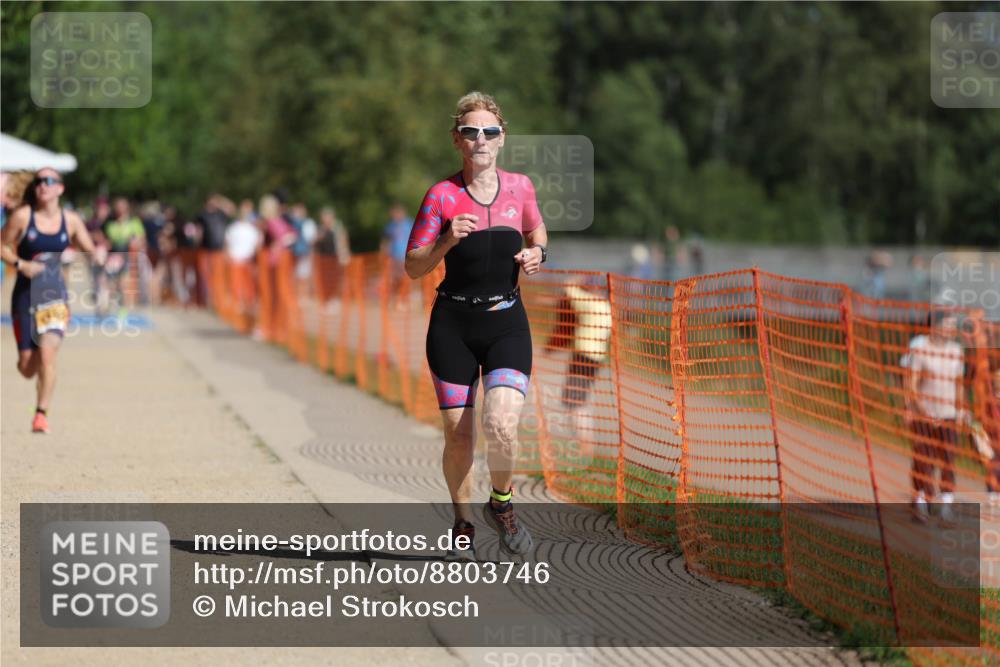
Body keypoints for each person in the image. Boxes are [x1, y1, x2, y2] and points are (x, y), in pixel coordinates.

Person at [405, 92, 548, 561]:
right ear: (457, 140)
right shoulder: (440, 196)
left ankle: (502, 505)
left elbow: (537, 232)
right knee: (460, 434)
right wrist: (447, 238)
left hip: (507, 323)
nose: (481, 139)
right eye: (471, 131)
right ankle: (463, 523)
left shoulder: (521, 188)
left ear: (502, 139)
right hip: (453, 327)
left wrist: (537, 254)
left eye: (489, 131)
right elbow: (413, 267)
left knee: (502, 425)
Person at [0, 168, 101, 433]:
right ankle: (31, 373)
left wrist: (97, 255)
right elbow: (2, 246)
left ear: (60, 188)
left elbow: (88, 248)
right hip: (24, 297)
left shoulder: (71, 221)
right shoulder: (23, 217)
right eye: (38, 182)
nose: (42, 186)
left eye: (49, 181)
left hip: (55, 297)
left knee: (47, 355)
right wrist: (21, 264)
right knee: (26, 367)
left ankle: (41, 413)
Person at [905, 311, 965, 524]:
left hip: (948, 414)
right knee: (923, 458)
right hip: (924, 415)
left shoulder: (956, 351)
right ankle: (920, 502)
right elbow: (911, 383)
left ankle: (946, 506)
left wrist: (960, 412)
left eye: (952, 325)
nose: (951, 329)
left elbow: (959, 384)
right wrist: (917, 409)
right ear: (934, 326)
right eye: (947, 324)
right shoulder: (920, 347)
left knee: (948, 460)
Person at [102, 197, 146, 315]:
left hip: (127, 256)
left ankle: (123, 312)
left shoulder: (134, 222)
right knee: (111, 284)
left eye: (122, 206)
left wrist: (135, 241)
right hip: (113, 257)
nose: (120, 209)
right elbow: (106, 239)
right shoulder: (110, 223)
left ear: (127, 208)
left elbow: (141, 238)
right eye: (118, 206)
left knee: (123, 284)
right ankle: (113, 305)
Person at [382, 203, 414, 294]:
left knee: (407, 277)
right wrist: (384, 253)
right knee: (396, 278)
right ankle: (398, 297)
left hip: (407, 256)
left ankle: (407, 296)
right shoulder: (391, 226)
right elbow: (386, 240)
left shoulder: (410, 223)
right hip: (394, 256)